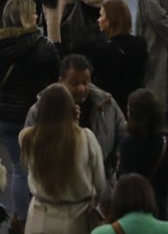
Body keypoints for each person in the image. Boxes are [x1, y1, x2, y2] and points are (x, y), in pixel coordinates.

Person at [0, 0, 58, 230]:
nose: (36, 16)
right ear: (26, 17)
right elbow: (55, 79)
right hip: (36, 117)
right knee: (42, 170)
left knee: (18, 170)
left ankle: (23, 219)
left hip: (5, 117)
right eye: (33, 13)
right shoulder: (43, 46)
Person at [20, 83, 107, 234]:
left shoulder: (27, 137)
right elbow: (100, 183)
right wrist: (74, 123)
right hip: (76, 217)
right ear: (72, 110)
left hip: (39, 215)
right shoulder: (86, 137)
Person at [117, 89, 168, 223]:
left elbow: (124, 185)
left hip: (131, 220)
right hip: (159, 215)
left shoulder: (127, 145)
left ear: (132, 114)